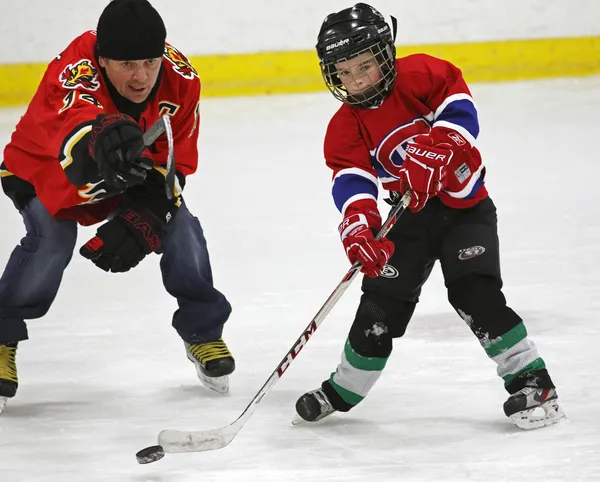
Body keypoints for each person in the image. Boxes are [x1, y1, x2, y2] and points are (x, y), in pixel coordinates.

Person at [294, 3, 565, 430]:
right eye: (344, 72)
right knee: (380, 306)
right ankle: (343, 389)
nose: (356, 79)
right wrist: (359, 223)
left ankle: (534, 384)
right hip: (407, 220)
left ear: (386, 53)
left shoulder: (424, 74)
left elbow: (461, 113)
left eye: (365, 65)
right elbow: (352, 179)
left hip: (465, 210)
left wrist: (441, 144)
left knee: (474, 294)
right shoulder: (345, 124)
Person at [0, 0, 235, 414]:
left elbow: (173, 165)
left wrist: (149, 211)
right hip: (43, 168)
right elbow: (71, 139)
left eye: (149, 61)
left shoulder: (182, 81)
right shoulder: (73, 71)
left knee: (180, 226)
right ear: (102, 58)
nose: (141, 76)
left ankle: (202, 330)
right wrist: (100, 134)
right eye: (127, 63)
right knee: (52, 241)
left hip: (125, 173)